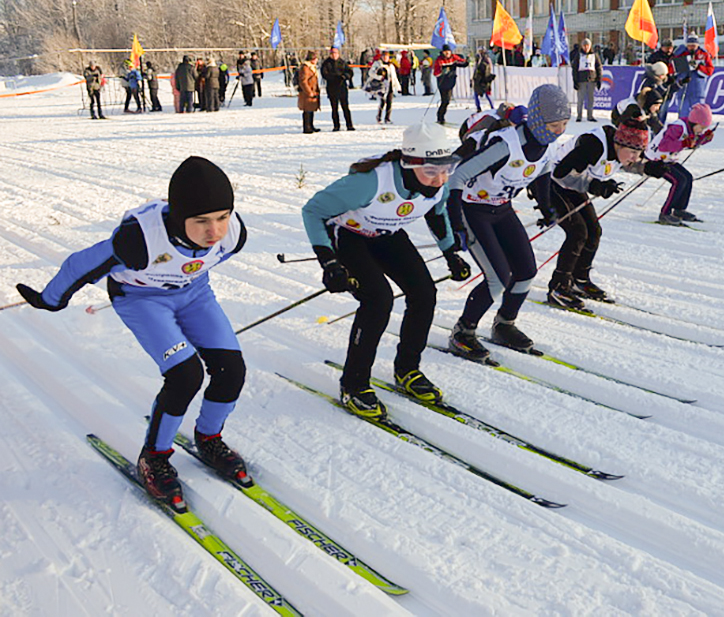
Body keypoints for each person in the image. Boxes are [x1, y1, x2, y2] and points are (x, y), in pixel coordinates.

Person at [16, 157, 250, 503]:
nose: (214, 231)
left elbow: (199, 261)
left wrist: (186, 275)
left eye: (221, 217)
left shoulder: (233, 234)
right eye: (200, 221)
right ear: (179, 215)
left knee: (232, 370)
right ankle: (153, 458)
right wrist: (51, 299)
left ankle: (209, 438)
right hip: (141, 299)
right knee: (185, 375)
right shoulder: (139, 240)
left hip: (195, 294)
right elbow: (81, 264)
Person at [301, 123, 471, 419]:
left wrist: (450, 253)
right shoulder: (370, 182)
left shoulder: (437, 183)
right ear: (409, 163)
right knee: (378, 299)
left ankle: (407, 370)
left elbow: (437, 211)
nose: (440, 179)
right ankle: (353, 384)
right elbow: (313, 210)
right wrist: (329, 261)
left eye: (446, 170)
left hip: (386, 235)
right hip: (348, 236)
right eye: (431, 171)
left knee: (424, 293)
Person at [446, 84, 571, 361]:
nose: (559, 130)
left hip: (501, 209)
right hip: (473, 210)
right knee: (497, 278)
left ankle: (504, 324)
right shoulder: (506, 145)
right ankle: (463, 332)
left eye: (564, 124)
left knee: (526, 271)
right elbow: (456, 177)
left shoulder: (548, 147)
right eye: (553, 125)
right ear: (538, 120)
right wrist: (455, 225)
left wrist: (546, 206)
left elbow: (542, 175)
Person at [537, 119, 646, 309]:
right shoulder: (593, 145)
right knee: (578, 232)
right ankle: (558, 288)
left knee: (594, 231)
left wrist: (650, 168)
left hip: (572, 184)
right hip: (550, 183)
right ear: (620, 144)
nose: (635, 158)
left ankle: (580, 279)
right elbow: (561, 174)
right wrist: (595, 186)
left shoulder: (618, 148)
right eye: (634, 153)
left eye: (639, 154)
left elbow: (629, 163)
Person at [645, 103, 715, 225]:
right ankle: (665, 213)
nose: (701, 131)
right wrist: (684, 143)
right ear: (695, 122)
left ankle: (679, 209)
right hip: (655, 160)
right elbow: (664, 145)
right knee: (678, 181)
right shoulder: (678, 127)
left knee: (688, 177)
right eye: (701, 128)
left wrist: (704, 138)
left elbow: (691, 143)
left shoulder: (691, 128)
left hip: (669, 159)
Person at [673, 34, 714, 119]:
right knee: (683, 115)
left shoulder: (703, 54)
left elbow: (710, 71)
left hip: (697, 91)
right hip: (683, 90)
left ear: (697, 45)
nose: (691, 48)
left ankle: (697, 131)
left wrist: (698, 67)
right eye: (689, 45)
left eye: (693, 46)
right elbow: (673, 69)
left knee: (698, 115)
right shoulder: (680, 53)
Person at [320, 46, 354, 131]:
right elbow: (324, 74)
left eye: (335, 53)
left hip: (342, 88)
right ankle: (336, 125)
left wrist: (345, 77)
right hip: (332, 88)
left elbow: (350, 72)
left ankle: (349, 125)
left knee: (345, 107)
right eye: (332, 53)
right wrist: (334, 78)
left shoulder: (342, 62)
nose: (334, 55)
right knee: (334, 108)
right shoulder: (326, 63)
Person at [433, 45, 468, 125]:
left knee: (447, 101)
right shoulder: (439, 59)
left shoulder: (453, 57)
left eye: (448, 52)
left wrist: (467, 61)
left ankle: (441, 117)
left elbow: (462, 62)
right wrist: (442, 72)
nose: (447, 53)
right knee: (445, 101)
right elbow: (435, 72)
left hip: (450, 82)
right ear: (443, 52)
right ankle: (440, 118)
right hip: (442, 83)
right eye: (445, 52)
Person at [572, 38, 602, 122]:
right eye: (584, 46)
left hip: (592, 80)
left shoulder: (594, 55)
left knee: (590, 99)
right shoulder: (578, 55)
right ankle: (579, 116)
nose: (586, 47)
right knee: (580, 99)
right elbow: (574, 68)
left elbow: (598, 67)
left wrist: (599, 79)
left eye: (587, 46)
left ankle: (590, 116)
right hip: (581, 80)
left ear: (590, 46)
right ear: (582, 46)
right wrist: (575, 81)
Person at [369, 50, 401, 124]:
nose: (385, 58)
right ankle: (379, 117)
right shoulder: (377, 64)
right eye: (384, 56)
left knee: (389, 103)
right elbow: (370, 73)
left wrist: (398, 87)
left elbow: (394, 77)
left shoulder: (391, 65)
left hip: (390, 86)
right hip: (381, 86)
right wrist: (379, 77)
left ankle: (387, 118)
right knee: (382, 102)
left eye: (387, 57)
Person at [297, 50, 321, 133]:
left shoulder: (311, 67)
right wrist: (309, 91)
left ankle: (311, 125)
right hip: (306, 93)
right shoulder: (305, 68)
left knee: (311, 109)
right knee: (307, 110)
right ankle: (306, 127)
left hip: (313, 92)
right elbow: (303, 81)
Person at [472, 48, 495, 113]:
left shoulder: (486, 60)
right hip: (478, 80)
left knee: (487, 94)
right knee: (476, 94)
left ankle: (492, 106)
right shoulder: (478, 60)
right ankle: (479, 107)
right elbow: (475, 70)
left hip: (484, 80)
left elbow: (487, 70)